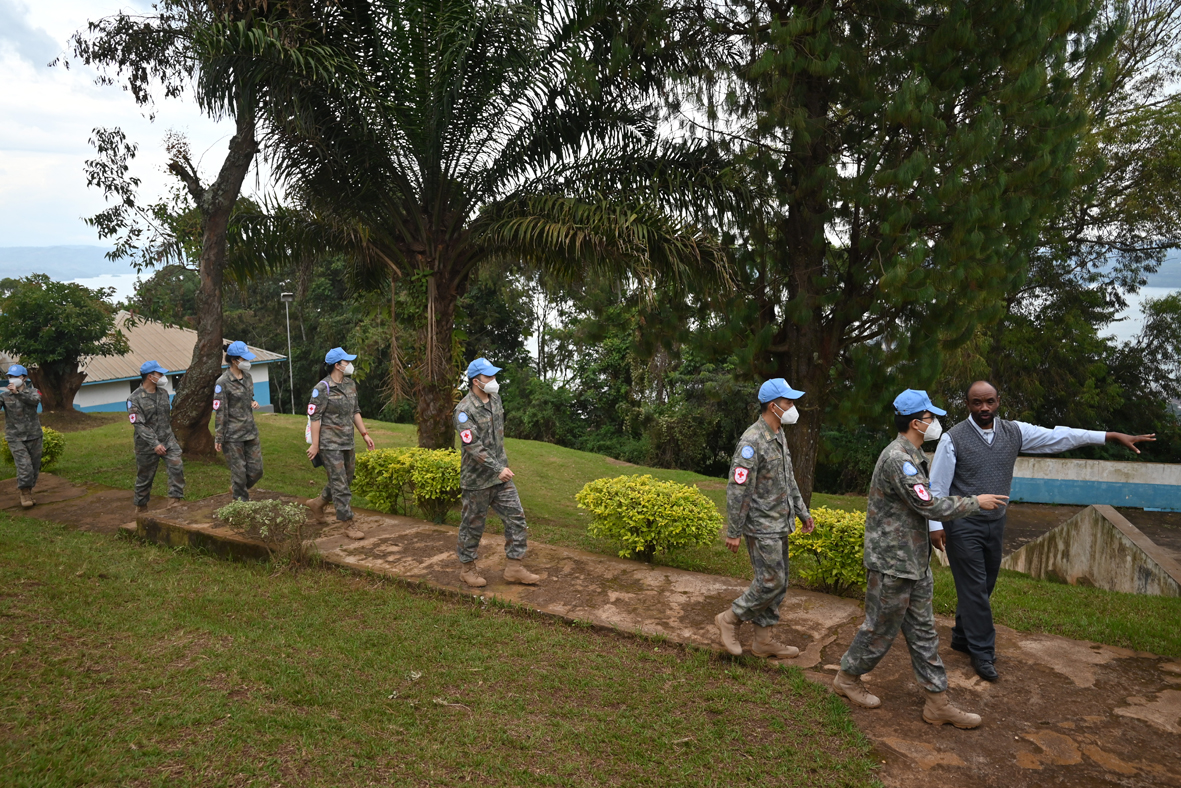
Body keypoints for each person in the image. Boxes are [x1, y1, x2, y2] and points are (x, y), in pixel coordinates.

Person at [928, 380, 1156, 681]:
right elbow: (938, 486)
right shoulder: (952, 439)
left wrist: (1109, 435)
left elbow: (1059, 436)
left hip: (995, 523)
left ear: (998, 401)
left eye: (990, 402)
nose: (984, 408)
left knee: (984, 586)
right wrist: (934, 525)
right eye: (976, 403)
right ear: (967, 404)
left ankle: (961, 636)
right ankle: (982, 653)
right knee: (973, 588)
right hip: (962, 524)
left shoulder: (1014, 432)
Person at [833, 390, 1010, 728]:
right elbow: (929, 505)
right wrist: (976, 502)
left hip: (913, 561)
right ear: (916, 422)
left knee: (925, 632)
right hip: (892, 565)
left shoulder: (912, 455)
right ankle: (847, 677)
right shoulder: (898, 459)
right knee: (879, 629)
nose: (935, 423)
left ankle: (937, 702)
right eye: (930, 418)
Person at [714, 378, 814, 659]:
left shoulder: (779, 434)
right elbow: (738, 488)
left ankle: (763, 640)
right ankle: (730, 618)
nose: (793, 407)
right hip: (761, 525)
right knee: (770, 581)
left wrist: (802, 512)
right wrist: (734, 530)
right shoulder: (752, 441)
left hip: (780, 522)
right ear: (774, 406)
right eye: (788, 402)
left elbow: (789, 479)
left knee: (779, 582)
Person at [454, 357, 540, 587]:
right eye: (488, 376)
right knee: (472, 526)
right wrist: (497, 467)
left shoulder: (496, 399)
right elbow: (473, 446)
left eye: (494, 375)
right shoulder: (464, 411)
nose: (493, 380)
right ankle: (467, 569)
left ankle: (514, 567)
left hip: (501, 477)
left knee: (516, 518)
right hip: (477, 480)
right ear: (475, 381)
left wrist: (501, 467)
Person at [305, 347, 375, 539]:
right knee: (340, 485)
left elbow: (355, 411)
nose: (350, 365)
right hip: (329, 444)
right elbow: (315, 417)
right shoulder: (322, 388)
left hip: (347, 441)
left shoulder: (350, 385)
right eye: (347, 362)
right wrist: (315, 445)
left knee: (346, 480)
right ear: (337, 365)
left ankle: (318, 503)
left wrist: (364, 434)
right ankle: (347, 523)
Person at [127, 361, 185, 513]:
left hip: (167, 439)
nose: (163, 377)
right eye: (159, 374)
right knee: (145, 478)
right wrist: (154, 443)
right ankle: (141, 507)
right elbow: (139, 425)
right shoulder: (134, 399)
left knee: (176, 464)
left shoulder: (163, 393)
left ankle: (174, 501)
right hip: (146, 444)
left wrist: (168, 437)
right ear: (150, 376)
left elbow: (166, 417)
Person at [214, 341, 263, 501]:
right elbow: (220, 411)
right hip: (233, 435)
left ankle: (237, 488)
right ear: (234, 360)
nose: (248, 362)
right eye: (245, 359)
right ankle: (241, 506)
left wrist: (252, 402)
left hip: (250, 432)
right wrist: (219, 437)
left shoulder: (248, 377)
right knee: (239, 473)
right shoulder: (222, 382)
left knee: (257, 470)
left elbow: (246, 397)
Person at [1, 364, 42, 509]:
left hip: (34, 435)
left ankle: (29, 491)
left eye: (15, 377)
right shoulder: (4, 395)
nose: (11, 379)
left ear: (24, 378)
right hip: (15, 437)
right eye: (9, 377)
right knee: (24, 466)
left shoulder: (33, 392)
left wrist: (18, 393)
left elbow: (35, 401)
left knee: (34, 468)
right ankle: (24, 493)